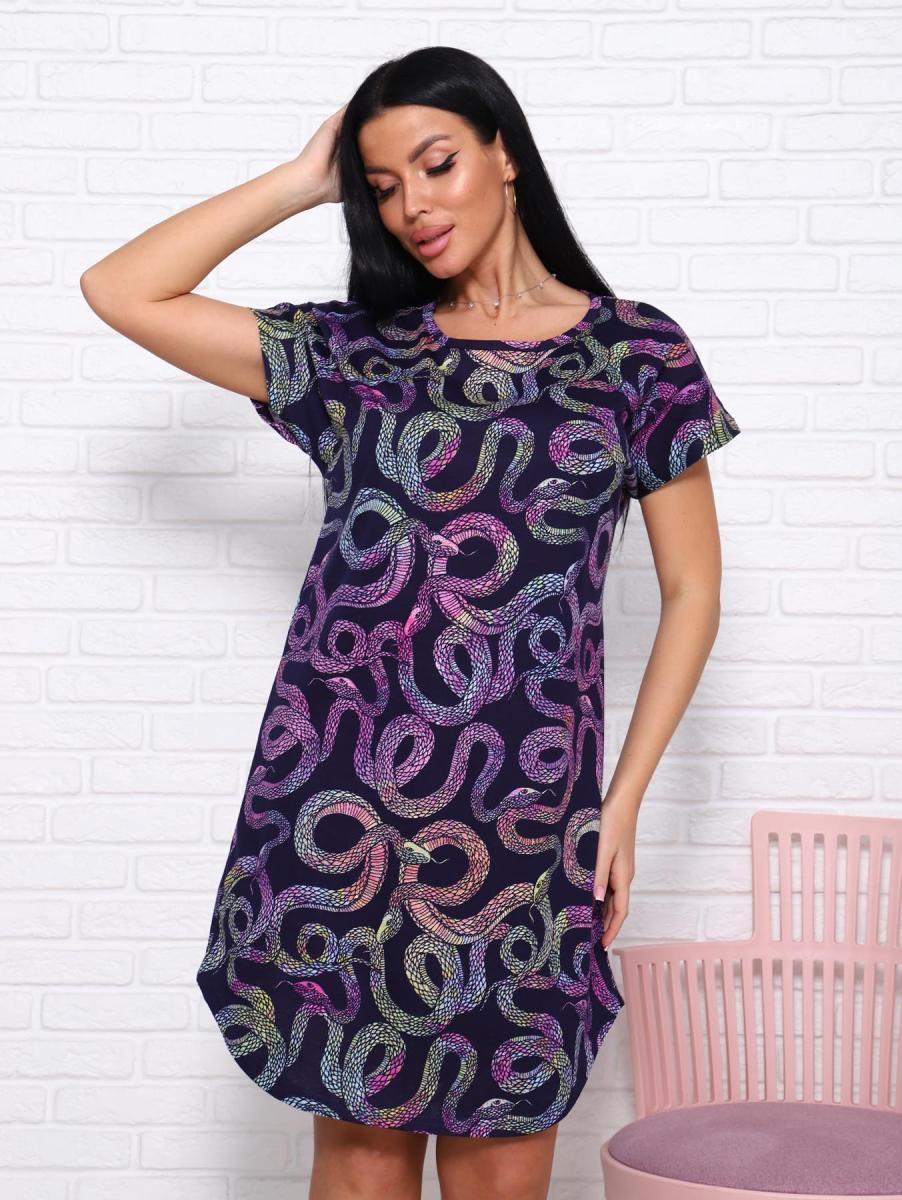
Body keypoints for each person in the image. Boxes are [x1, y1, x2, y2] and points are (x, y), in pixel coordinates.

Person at [80, 45, 741, 1200]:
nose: (411, 206)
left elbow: (691, 590)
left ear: (503, 154)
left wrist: (623, 801)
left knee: (502, 1167)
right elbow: (121, 290)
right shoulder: (355, 356)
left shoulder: (635, 355)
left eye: (435, 165)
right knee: (361, 1169)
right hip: (345, 822)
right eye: (381, 186)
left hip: (529, 824)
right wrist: (303, 178)